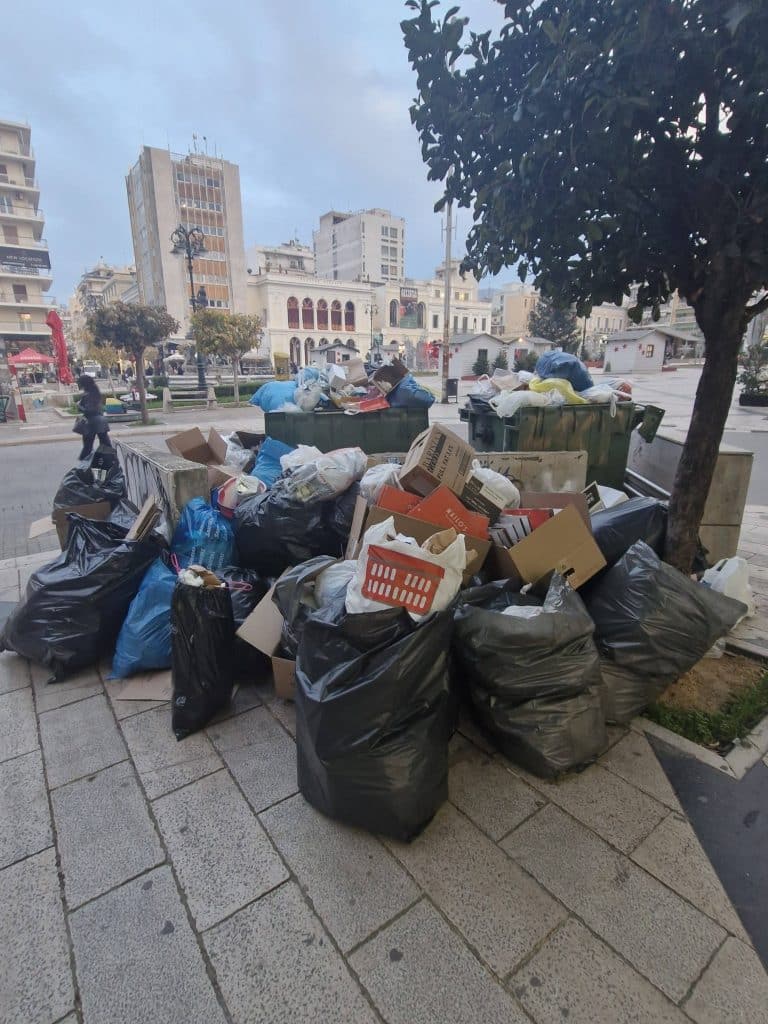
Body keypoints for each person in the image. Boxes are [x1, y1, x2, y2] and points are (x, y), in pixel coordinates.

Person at [76, 374, 111, 460]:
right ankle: (110, 460)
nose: (78, 385)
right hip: (100, 421)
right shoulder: (95, 391)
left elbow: (90, 410)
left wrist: (79, 406)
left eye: (79, 383)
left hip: (92, 422)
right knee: (105, 443)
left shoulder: (88, 395)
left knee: (88, 446)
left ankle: (84, 463)